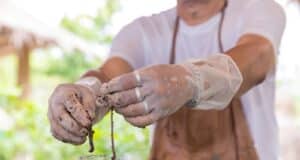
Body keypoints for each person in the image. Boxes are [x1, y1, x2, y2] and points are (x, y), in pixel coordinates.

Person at [48, 0, 286, 159]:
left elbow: (258, 57)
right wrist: (85, 90)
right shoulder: (143, 31)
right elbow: (108, 75)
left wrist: (189, 81)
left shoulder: (259, 10)